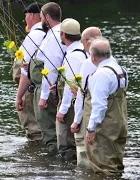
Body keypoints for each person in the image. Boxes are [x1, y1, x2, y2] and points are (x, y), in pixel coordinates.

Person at [85, 37, 128, 175]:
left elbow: (99, 106)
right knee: (116, 162)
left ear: (93, 56)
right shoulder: (120, 70)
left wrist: (91, 129)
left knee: (103, 167)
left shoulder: (101, 74)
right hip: (120, 122)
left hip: (105, 126)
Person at [28, 2, 66, 154]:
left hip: (51, 91)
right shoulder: (60, 33)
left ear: (48, 17)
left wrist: (43, 97)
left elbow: (50, 69)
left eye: (42, 17)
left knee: (50, 133)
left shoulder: (53, 38)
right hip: (58, 89)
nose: (41, 21)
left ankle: (55, 167)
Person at [55, 18, 87, 158]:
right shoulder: (83, 51)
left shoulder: (73, 56)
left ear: (63, 35)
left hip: (71, 108)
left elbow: (70, 87)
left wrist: (62, 111)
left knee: (66, 146)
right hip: (79, 104)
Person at [70, 27, 102, 168]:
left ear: (88, 42)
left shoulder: (88, 63)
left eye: (83, 42)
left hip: (90, 115)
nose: (82, 45)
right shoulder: (111, 61)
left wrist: (76, 120)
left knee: (84, 154)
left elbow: (82, 95)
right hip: (106, 115)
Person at [14, 2, 45, 142]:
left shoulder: (34, 36)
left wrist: (19, 96)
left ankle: (35, 158)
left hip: (31, 89)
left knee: (34, 129)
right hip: (47, 89)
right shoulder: (53, 34)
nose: (25, 19)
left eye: (26, 15)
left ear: (31, 15)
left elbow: (25, 71)